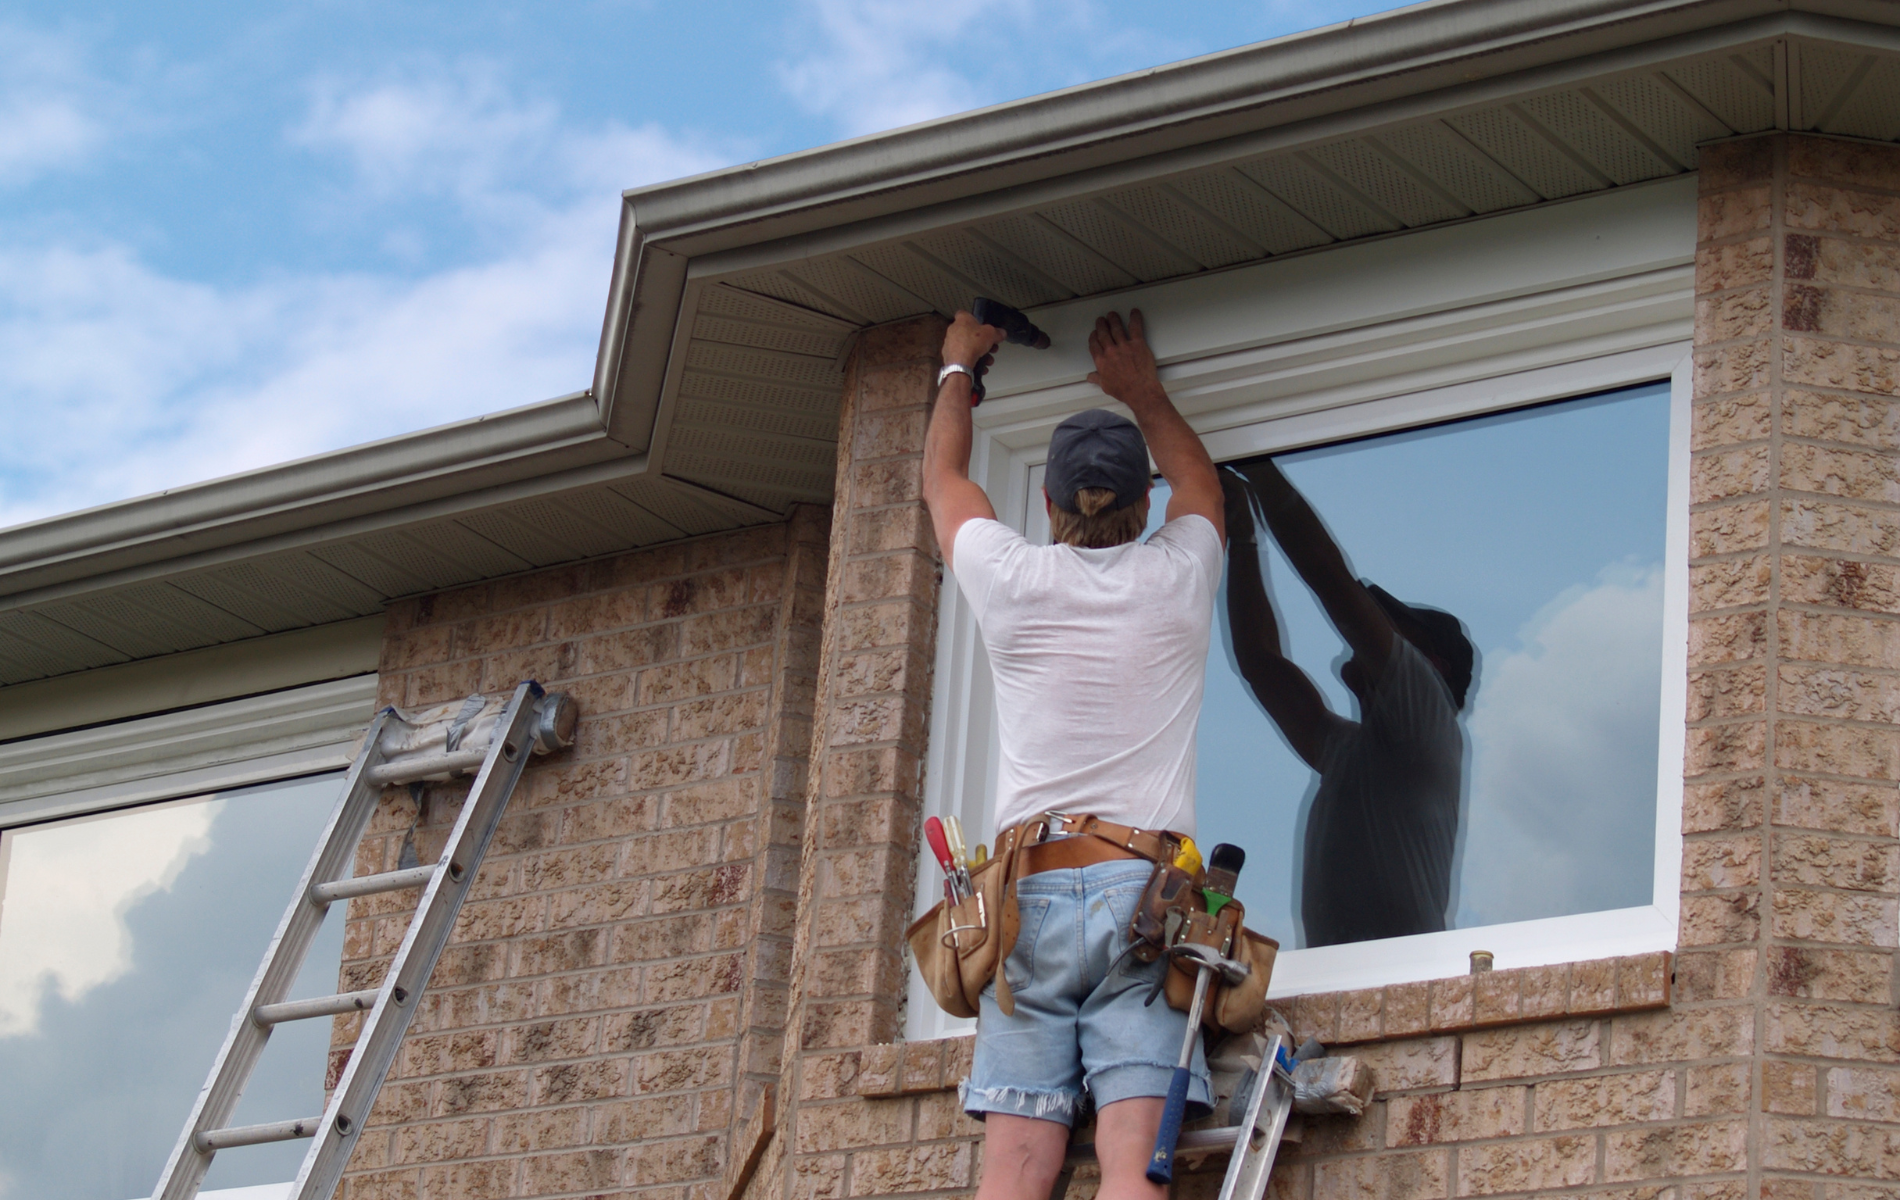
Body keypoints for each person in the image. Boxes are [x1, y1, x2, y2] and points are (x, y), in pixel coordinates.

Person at [923, 308, 1226, 1200]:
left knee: (1016, 1174)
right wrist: (1143, 391)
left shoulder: (1011, 578)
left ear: (1050, 507)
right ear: (1144, 506)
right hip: (1146, 894)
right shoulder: (1178, 575)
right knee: (1133, 1168)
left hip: (1029, 895)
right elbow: (1201, 481)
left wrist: (957, 366)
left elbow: (943, 480)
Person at [1220, 461, 1474, 947]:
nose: (1370, 629)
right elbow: (1259, 661)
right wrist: (1243, 537)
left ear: (1431, 665)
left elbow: (1330, 580)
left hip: (1401, 979)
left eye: (1389, 626)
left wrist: (1256, 459)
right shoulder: (1359, 755)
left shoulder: (1429, 713)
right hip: (1353, 976)